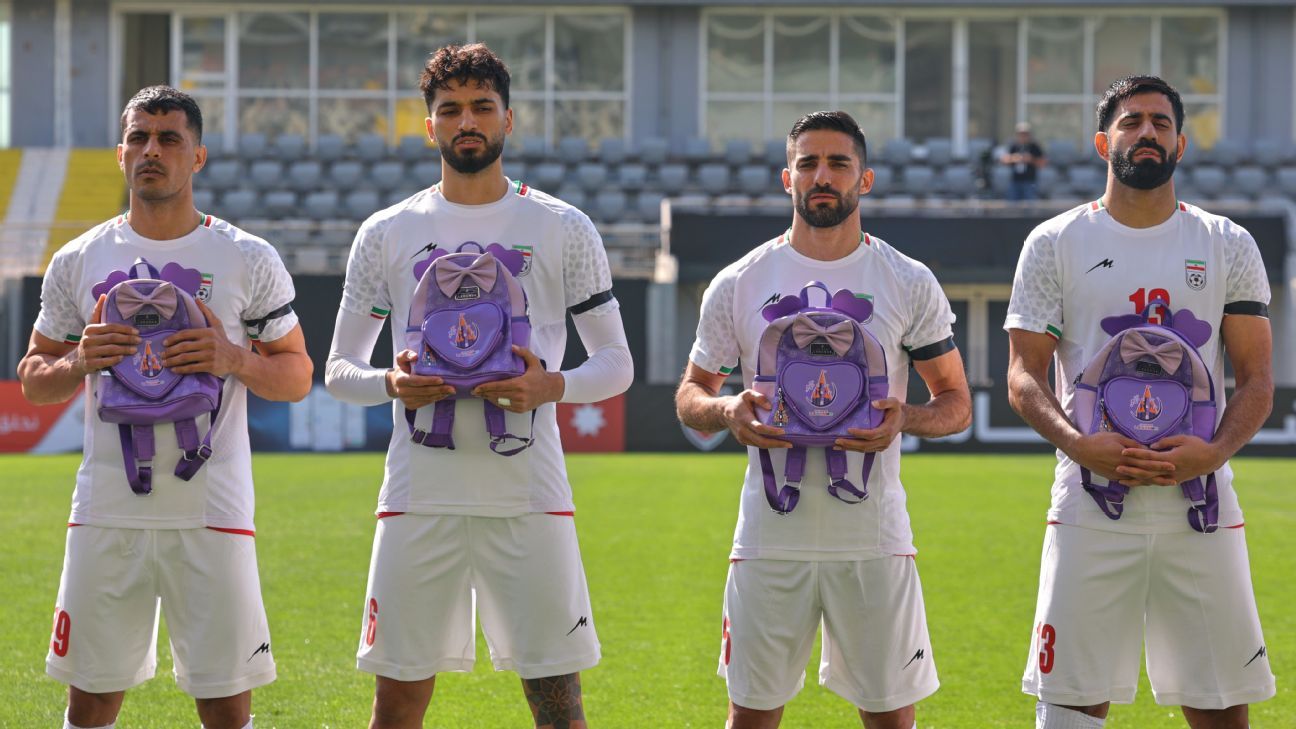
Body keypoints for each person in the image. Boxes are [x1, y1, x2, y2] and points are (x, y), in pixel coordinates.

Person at [323, 43, 632, 729]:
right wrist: (390, 383)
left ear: (508, 120)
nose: (467, 121)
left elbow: (617, 362)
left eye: (481, 108)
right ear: (428, 125)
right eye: (450, 109)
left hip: (528, 494)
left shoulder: (561, 226)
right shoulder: (387, 231)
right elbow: (338, 371)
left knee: (559, 707)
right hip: (418, 494)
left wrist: (548, 387)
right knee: (397, 705)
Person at [16, 86, 312, 729]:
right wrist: (77, 361)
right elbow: (34, 379)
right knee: (91, 701)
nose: (153, 151)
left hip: (212, 510)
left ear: (197, 156)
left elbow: (295, 377)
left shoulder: (245, 256)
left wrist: (233, 358)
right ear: (121, 154)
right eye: (140, 139)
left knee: (225, 704)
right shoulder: (78, 259)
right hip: (106, 510)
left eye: (170, 138)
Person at [674, 110, 971, 729]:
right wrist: (726, 409)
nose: (822, 176)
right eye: (808, 163)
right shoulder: (738, 281)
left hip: (873, 537)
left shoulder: (906, 280)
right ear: (788, 178)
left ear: (864, 179)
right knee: (751, 716)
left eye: (838, 163)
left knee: (890, 717)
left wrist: (906, 417)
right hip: (767, 538)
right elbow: (691, 395)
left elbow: (955, 403)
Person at [1005, 75, 1276, 729]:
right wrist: (1078, 443)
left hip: (1200, 506)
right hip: (1091, 500)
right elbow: (1023, 375)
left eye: (1160, 122)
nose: (1146, 132)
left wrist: (1209, 453)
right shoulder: (1056, 243)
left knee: (1220, 707)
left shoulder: (1226, 243)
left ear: (1180, 141)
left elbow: (1257, 378)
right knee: (1071, 703)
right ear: (1104, 141)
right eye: (1131, 122)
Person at [1001, 122, 1047, 201]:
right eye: (1021, 134)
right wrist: (1014, 158)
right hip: (1015, 181)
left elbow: (1043, 163)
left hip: (1030, 181)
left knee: (1030, 206)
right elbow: (1004, 160)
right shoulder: (1014, 146)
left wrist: (1031, 159)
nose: (1023, 136)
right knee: (1012, 205)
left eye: (1025, 134)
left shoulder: (1034, 147)